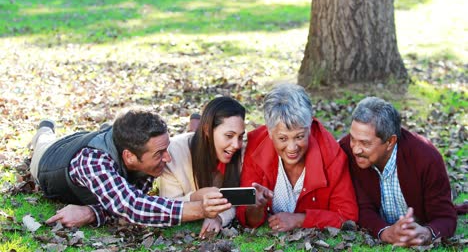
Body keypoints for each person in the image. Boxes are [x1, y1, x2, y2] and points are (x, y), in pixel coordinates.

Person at [29, 109, 231, 228]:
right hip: (51, 157)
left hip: (99, 138)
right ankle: (44, 129)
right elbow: (132, 205)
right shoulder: (93, 162)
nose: (167, 158)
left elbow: (126, 201)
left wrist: (93, 212)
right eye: (159, 154)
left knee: (110, 134)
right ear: (130, 157)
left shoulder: (141, 148)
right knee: (44, 140)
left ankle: (105, 130)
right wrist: (199, 209)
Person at [236, 83, 358, 231]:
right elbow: (246, 217)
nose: (292, 147)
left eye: (299, 136)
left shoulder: (332, 154)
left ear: (310, 127)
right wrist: (255, 207)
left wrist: (301, 220)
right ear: (269, 132)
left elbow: (347, 216)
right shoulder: (256, 145)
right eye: (282, 139)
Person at [339, 97, 457, 247]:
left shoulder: (426, 157)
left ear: (390, 142)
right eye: (353, 139)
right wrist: (385, 232)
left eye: (365, 143)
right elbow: (360, 207)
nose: (355, 149)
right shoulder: (345, 151)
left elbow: (445, 217)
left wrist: (426, 233)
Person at [159, 96, 245, 238]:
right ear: (207, 130)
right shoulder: (173, 153)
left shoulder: (240, 154)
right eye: (229, 135)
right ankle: (194, 125)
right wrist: (195, 197)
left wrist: (218, 217)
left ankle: (195, 124)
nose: (237, 145)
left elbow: (237, 200)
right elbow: (167, 207)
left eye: (240, 136)